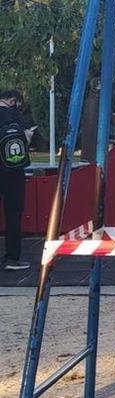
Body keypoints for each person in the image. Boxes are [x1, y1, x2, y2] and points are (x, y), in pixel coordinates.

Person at [0, 89, 33, 271]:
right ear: (12, 100)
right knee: (13, 214)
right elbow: (24, 141)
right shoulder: (14, 116)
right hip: (12, 172)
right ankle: (12, 258)